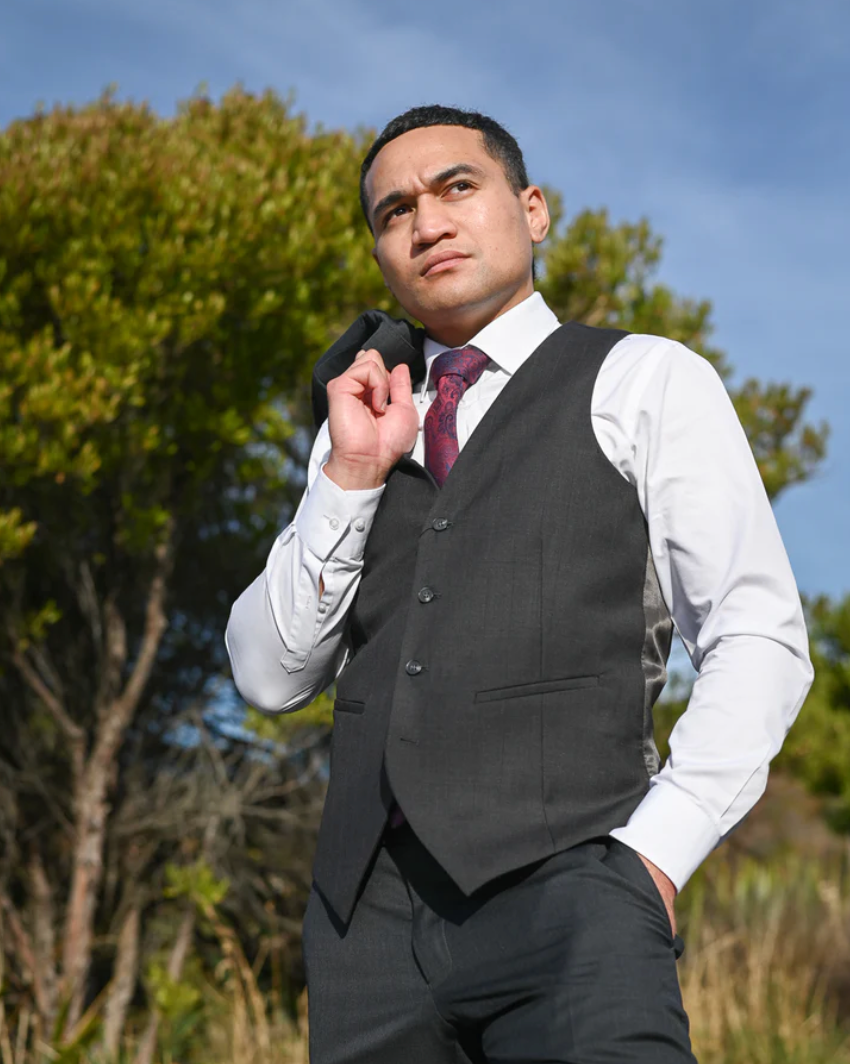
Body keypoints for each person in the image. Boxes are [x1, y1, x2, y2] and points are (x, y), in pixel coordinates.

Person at [225, 105, 814, 1063]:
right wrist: (349, 477)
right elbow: (267, 675)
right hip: (364, 938)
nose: (427, 221)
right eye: (394, 212)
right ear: (382, 253)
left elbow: (757, 636)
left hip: (576, 896)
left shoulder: (643, 380)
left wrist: (651, 862)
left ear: (532, 211)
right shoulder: (360, 431)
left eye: (458, 187)